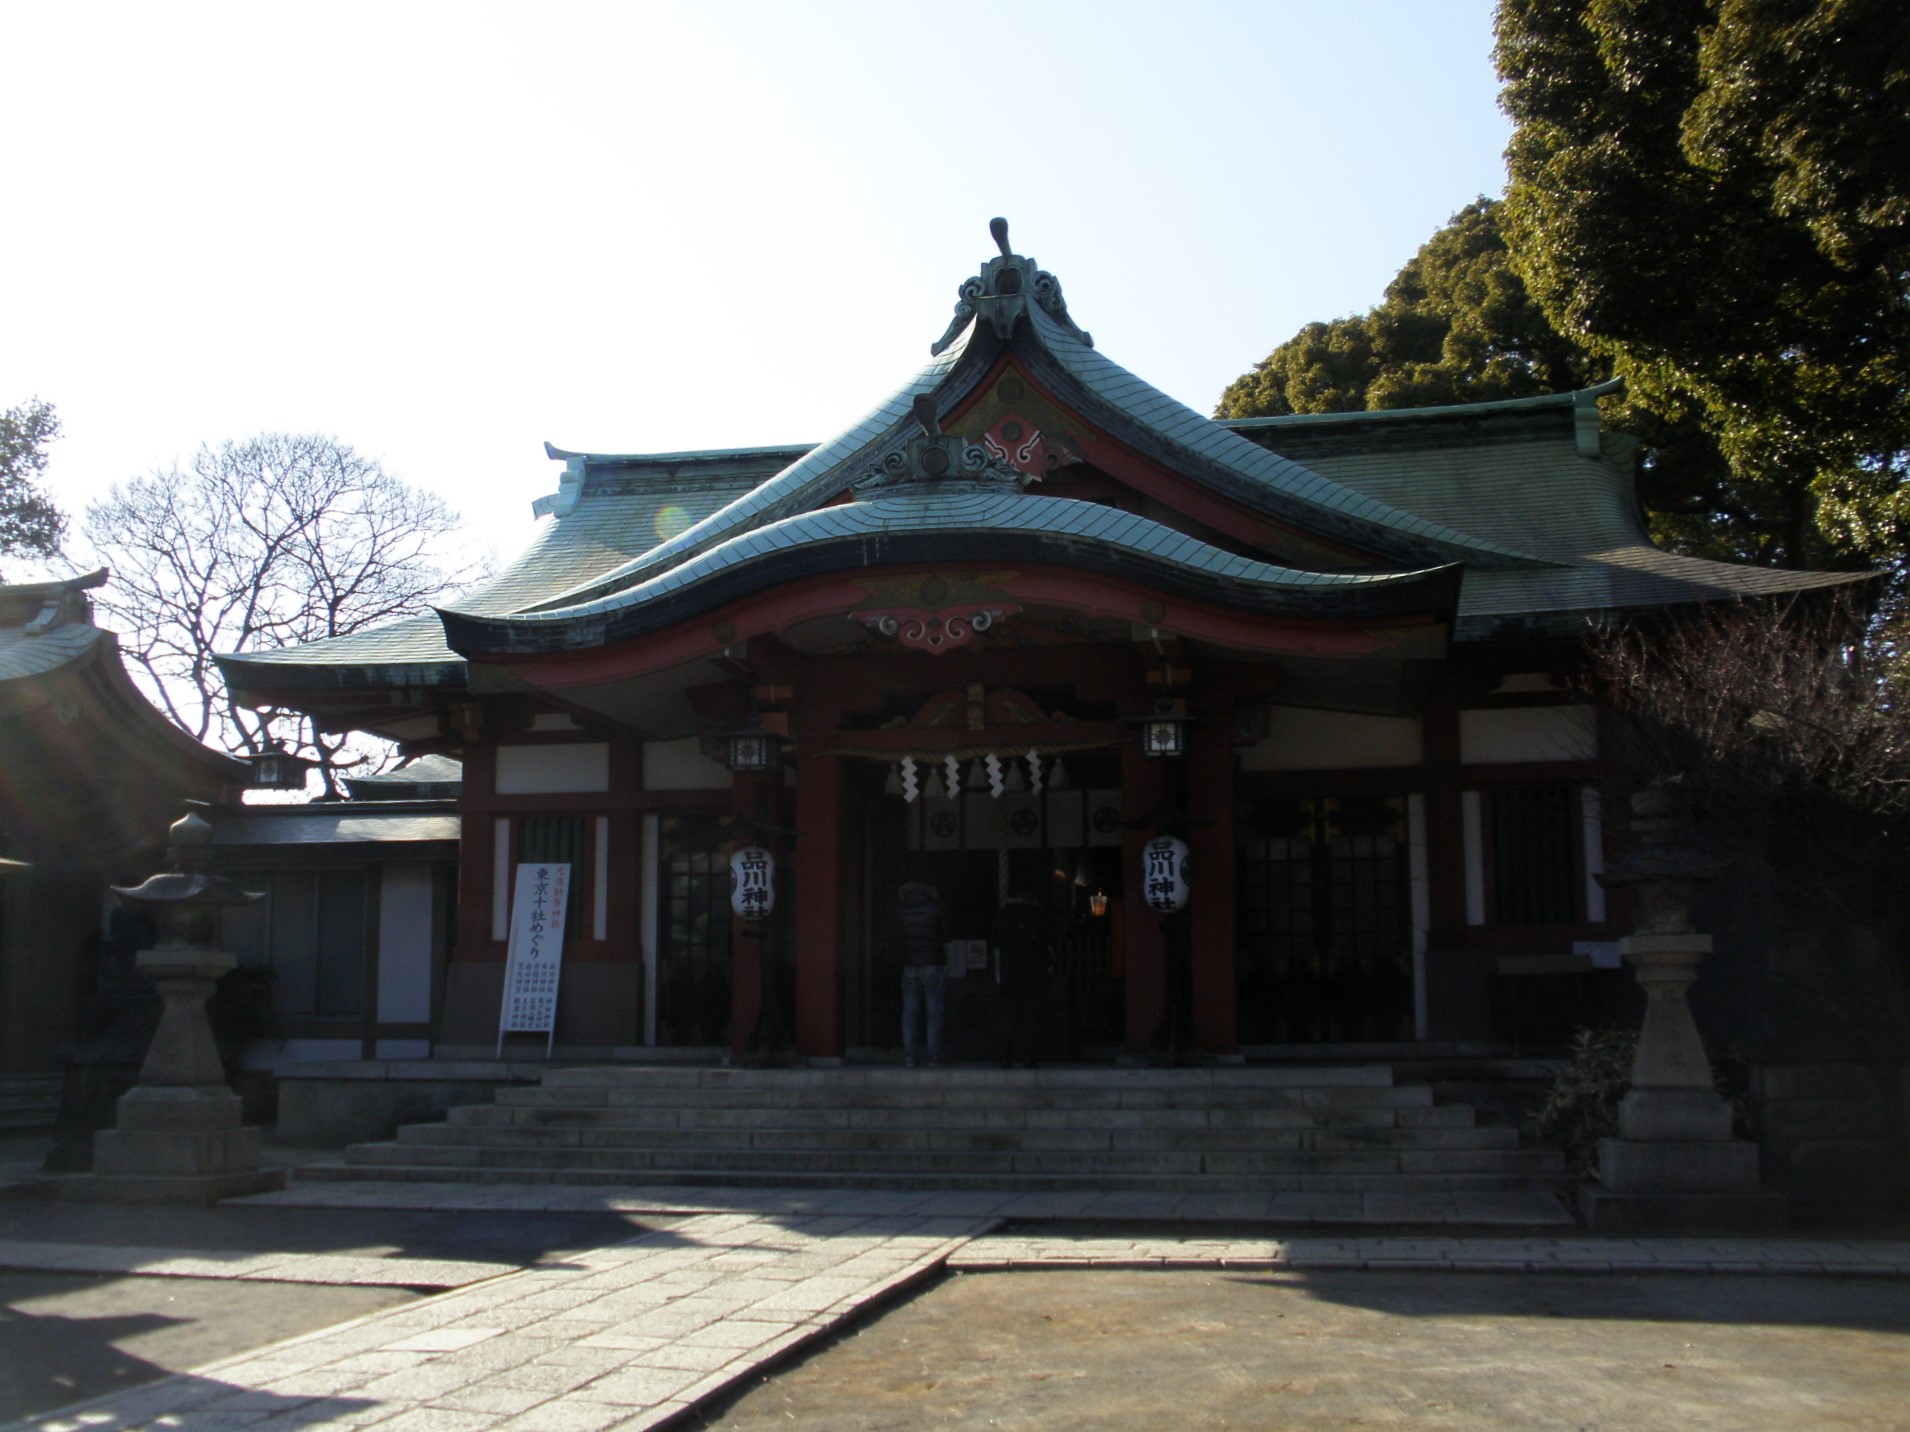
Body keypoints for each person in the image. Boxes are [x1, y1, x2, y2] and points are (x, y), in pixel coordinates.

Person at [990, 886, 1052, 1068]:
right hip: (1035, 971)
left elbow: (996, 944)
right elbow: (1049, 941)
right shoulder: (1039, 916)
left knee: (1008, 1016)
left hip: (1010, 972)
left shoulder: (1002, 917)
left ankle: (1005, 1056)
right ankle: (1028, 1056)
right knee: (1031, 1017)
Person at [893, 875, 949, 1067]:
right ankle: (933, 1054)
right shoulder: (934, 908)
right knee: (933, 1010)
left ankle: (909, 1055)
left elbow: (895, 936)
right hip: (932, 962)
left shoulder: (900, 910)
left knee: (909, 1011)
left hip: (909, 963)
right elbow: (947, 934)